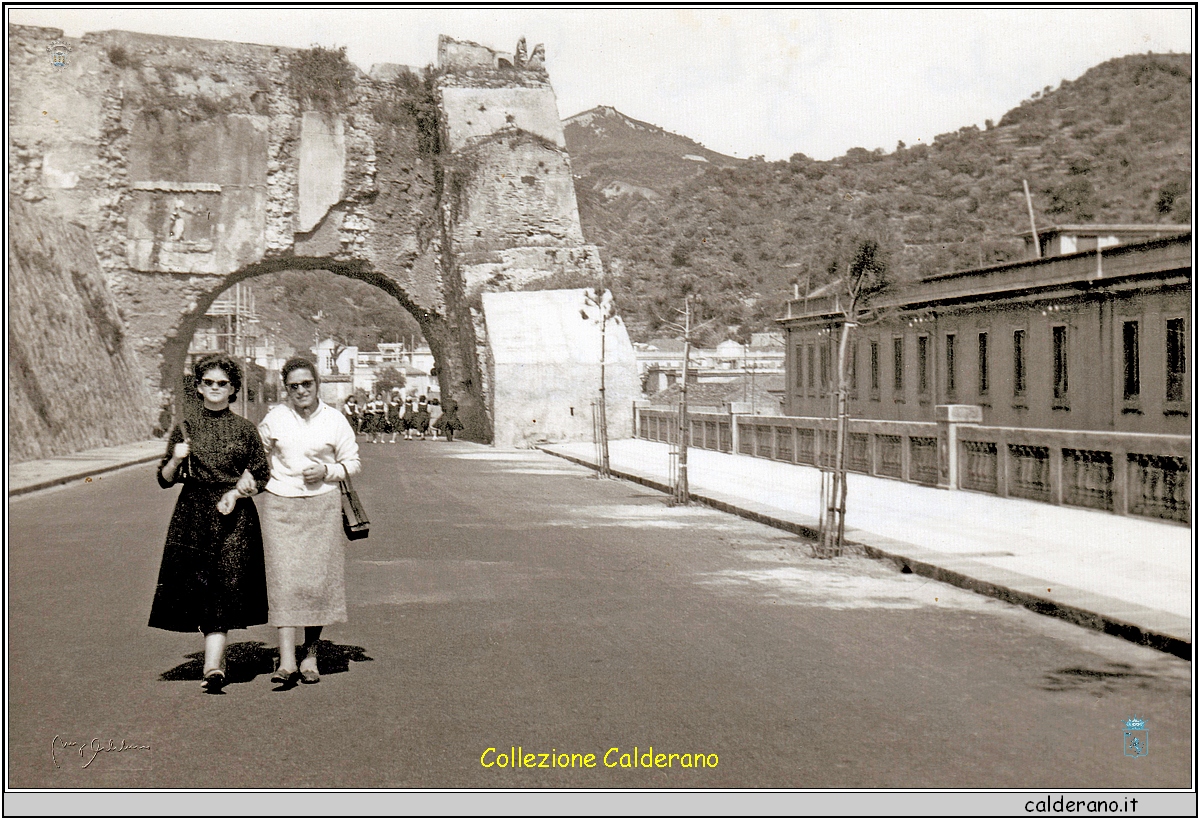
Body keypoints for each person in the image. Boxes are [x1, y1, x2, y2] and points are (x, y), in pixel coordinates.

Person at [150, 354, 270, 693]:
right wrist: (175, 458)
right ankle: (215, 660)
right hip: (193, 515)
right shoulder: (185, 426)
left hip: (234, 516)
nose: (215, 389)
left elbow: (260, 473)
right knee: (200, 585)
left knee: (224, 585)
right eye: (208, 383)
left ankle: (213, 664)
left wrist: (241, 491)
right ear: (199, 386)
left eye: (222, 384)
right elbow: (164, 479)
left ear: (233, 390)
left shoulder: (246, 430)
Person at [258, 357, 361, 685]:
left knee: (316, 582)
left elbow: (352, 462)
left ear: (317, 384)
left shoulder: (335, 419)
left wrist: (328, 471)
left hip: (322, 507)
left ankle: (311, 655)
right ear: (285, 389)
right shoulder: (275, 418)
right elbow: (256, 455)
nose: (301, 391)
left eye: (307, 384)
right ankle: (286, 659)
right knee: (284, 581)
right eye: (294, 386)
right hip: (280, 506)